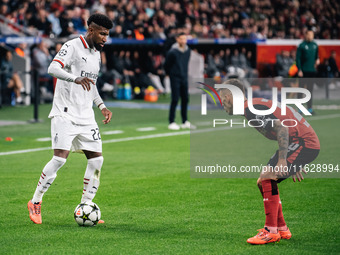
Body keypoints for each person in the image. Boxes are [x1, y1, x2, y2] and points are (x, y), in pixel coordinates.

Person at [27, 13, 113, 224]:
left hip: (86, 117)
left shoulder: (96, 55)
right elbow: (52, 68)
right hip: (64, 114)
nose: (105, 38)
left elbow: (90, 84)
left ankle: (86, 205)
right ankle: (35, 201)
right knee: (59, 159)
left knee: (97, 160)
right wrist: (74, 77)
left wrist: (101, 106)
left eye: (107, 34)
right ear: (91, 30)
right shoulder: (72, 46)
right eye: (102, 33)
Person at [219, 79, 320, 245]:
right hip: (300, 141)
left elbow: (282, 128)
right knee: (263, 181)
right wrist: (293, 157)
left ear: (229, 97)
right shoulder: (252, 106)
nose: (222, 104)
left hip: (304, 142)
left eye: (222, 99)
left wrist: (283, 160)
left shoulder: (251, 109)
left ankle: (270, 231)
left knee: (267, 176)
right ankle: (281, 228)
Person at [164, 32, 195, 130]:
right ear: (177, 39)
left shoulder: (188, 51)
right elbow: (166, 65)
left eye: (185, 39)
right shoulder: (172, 52)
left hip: (184, 77)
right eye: (181, 39)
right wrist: (171, 74)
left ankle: (184, 121)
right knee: (175, 99)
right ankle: (171, 122)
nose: (183, 41)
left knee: (185, 99)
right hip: (175, 78)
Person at [296, 30, 319, 114]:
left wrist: (317, 60)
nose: (310, 36)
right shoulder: (302, 46)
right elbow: (298, 58)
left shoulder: (315, 45)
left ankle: (309, 108)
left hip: (312, 71)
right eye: (309, 34)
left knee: (310, 90)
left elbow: (317, 56)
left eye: (312, 35)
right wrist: (299, 69)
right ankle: (300, 108)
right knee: (301, 90)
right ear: (305, 35)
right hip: (303, 71)